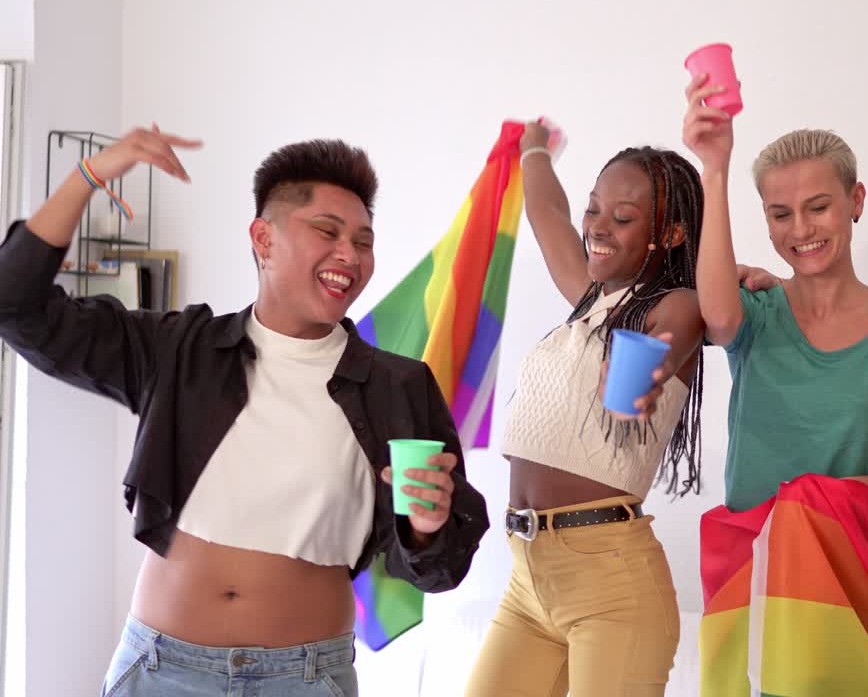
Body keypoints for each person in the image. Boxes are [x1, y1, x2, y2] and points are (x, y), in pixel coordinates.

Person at [0, 128, 488, 696]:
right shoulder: (180, 350)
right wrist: (90, 176)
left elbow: (440, 571)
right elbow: (16, 306)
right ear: (263, 238)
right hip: (160, 671)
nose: (348, 256)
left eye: (363, 241)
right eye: (327, 232)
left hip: (304, 679)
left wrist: (425, 531)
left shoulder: (396, 387)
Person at [463, 121, 707, 697]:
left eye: (621, 218)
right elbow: (548, 214)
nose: (597, 228)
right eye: (595, 210)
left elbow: (670, 340)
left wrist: (643, 376)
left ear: (668, 233)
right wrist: (534, 148)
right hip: (526, 578)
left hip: (612, 587)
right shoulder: (589, 297)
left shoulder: (678, 304)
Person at [682, 74, 868, 517]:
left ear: (856, 201)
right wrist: (713, 167)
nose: (801, 230)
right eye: (781, 214)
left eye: (818, 207)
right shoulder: (754, 311)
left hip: (850, 571)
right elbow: (719, 319)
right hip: (749, 574)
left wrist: (829, 497)